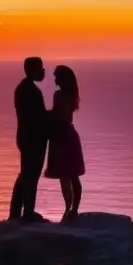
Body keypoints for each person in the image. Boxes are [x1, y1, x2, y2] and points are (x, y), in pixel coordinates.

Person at [8, 56, 49, 222]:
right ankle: (27, 212)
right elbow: (38, 117)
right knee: (31, 175)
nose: (43, 71)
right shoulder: (31, 91)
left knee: (25, 174)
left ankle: (17, 211)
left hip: (26, 137)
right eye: (41, 68)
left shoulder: (22, 88)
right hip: (33, 139)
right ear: (33, 70)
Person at [44, 64, 85, 222]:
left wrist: (43, 115)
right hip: (69, 134)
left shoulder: (59, 95)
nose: (54, 79)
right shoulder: (72, 95)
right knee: (73, 175)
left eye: (56, 76)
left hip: (61, 136)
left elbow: (57, 115)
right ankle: (73, 209)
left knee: (65, 176)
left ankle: (68, 209)